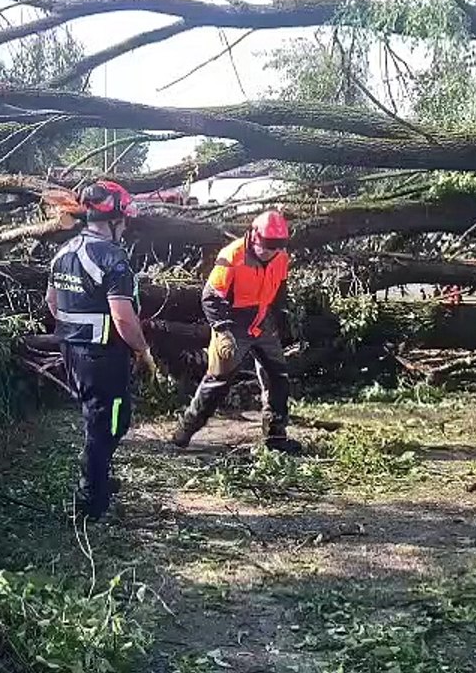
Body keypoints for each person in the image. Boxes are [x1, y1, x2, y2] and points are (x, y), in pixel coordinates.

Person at [46, 180, 156, 522]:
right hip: (104, 356)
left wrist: (74, 331)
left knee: (98, 418)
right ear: (114, 219)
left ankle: (98, 477)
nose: (124, 227)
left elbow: (51, 302)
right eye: (123, 221)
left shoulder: (64, 251)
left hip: (73, 351)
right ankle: (90, 499)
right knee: (109, 422)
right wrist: (143, 351)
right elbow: (123, 317)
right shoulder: (113, 258)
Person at [171, 210, 301, 454]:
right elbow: (210, 297)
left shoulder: (281, 257)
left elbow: (280, 291)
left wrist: (283, 323)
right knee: (218, 381)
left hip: (262, 320)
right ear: (253, 235)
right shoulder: (232, 256)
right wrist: (223, 330)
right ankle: (185, 431)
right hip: (232, 320)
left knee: (278, 377)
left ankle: (275, 436)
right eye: (266, 247)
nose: (270, 253)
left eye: (275, 248)